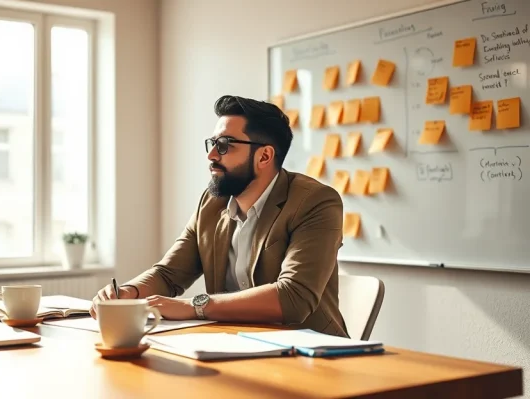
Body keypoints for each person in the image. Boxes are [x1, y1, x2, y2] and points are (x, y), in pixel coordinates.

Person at [91, 94, 348, 338]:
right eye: (212, 143)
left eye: (224, 145)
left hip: (309, 351)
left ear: (264, 156)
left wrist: (195, 306)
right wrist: (129, 293)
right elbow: (169, 274)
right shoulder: (212, 204)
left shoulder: (315, 201)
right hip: (231, 345)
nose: (211, 155)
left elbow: (293, 298)